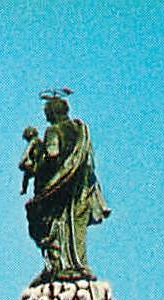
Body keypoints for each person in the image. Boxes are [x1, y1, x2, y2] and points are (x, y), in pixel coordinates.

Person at [20, 91, 110, 281]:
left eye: (46, 112)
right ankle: (76, 263)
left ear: (52, 112)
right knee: (74, 226)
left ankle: (58, 264)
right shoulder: (79, 129)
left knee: (49, 224)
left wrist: (37, 164)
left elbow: (52, 154)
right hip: (78, 189)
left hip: (57, 187)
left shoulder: (53, 131)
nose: (45, 116)